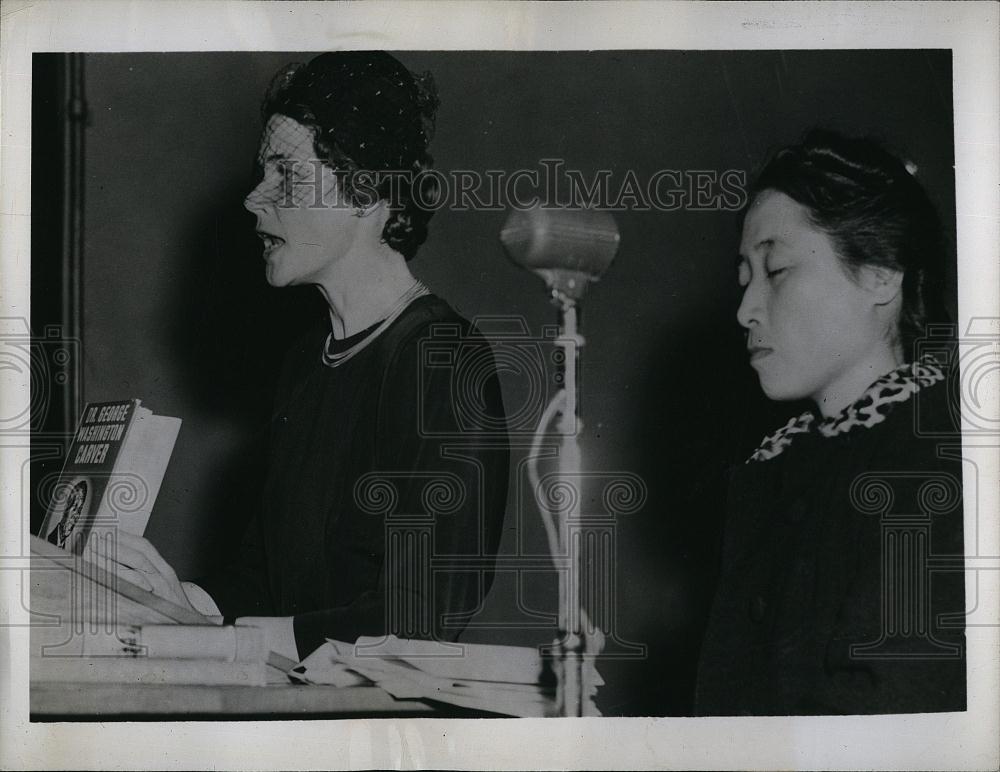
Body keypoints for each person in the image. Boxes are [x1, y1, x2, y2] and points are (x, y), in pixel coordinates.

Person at [111, 51, 509, 663]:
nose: (253, 199)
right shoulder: (305, 362)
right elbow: (263, 578)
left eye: (286, 175)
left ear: (367, 192)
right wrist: (174, 599)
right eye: (260, 172)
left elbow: (422, 615)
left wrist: (226, 638)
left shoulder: (441, 360)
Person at [694, 129, 966, 715]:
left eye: (778, 270)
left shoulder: (937, 466)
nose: (745, 310)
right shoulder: (771, 472)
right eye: (744, 279)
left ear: (880, 274)